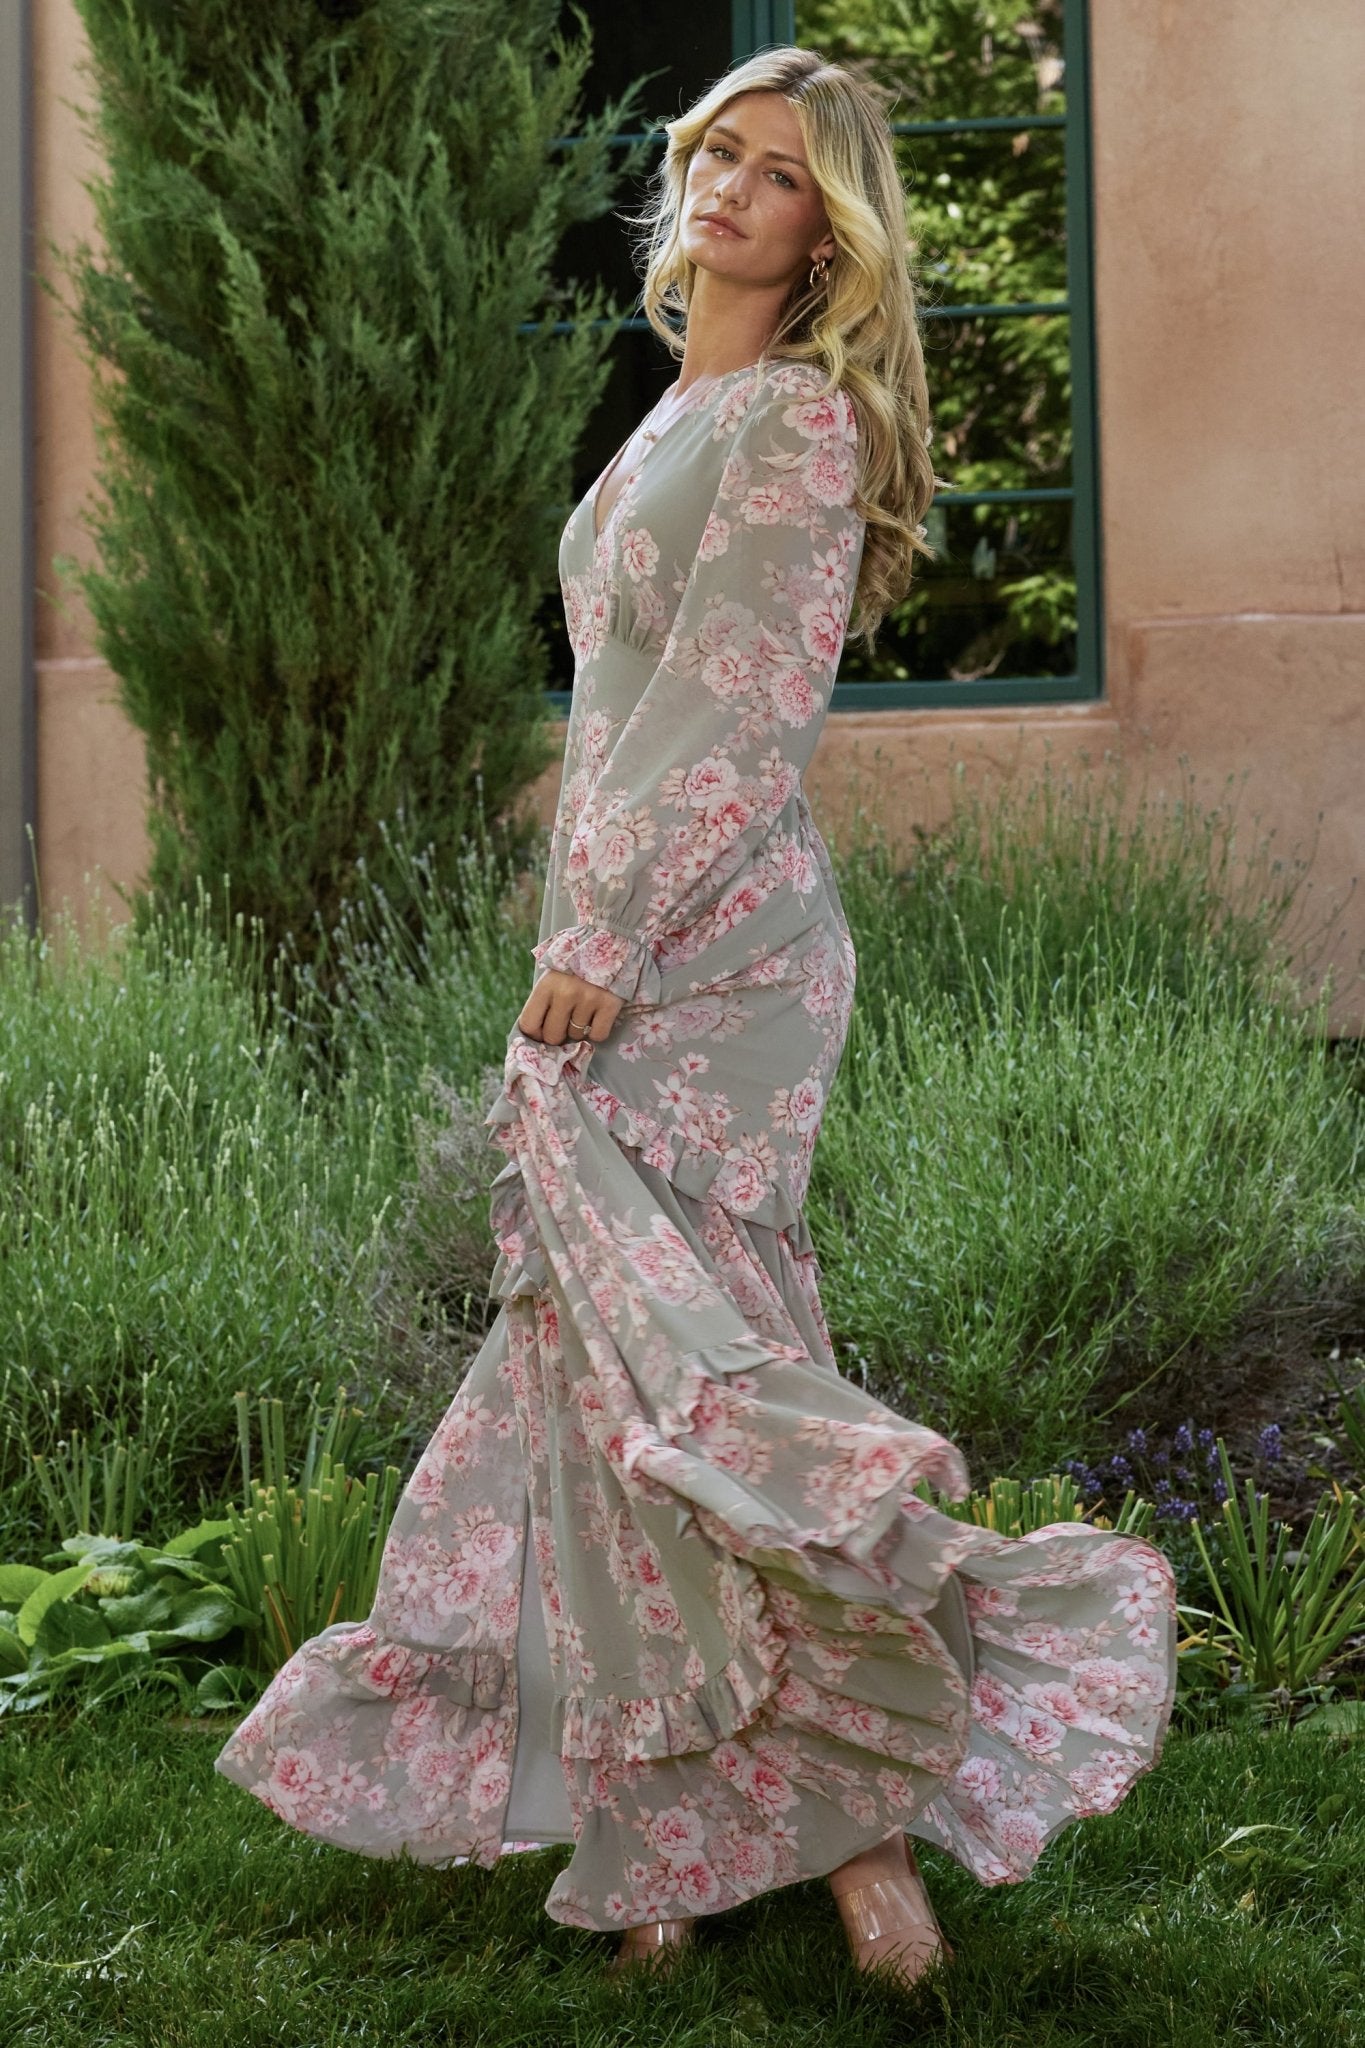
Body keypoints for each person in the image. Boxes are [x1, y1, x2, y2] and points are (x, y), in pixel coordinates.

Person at [213, 44, 1179, 1994]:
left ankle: (860, 1841)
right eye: (716, 153)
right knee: (609, 1392)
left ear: (833, 230)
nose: (730, 187)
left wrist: (605, 928)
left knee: (713, 1373)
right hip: (613, 921)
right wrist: (578, 912)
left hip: (704, 948)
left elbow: (736, 711)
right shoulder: (679, 407)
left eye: (780, 171)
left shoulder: (798, 425)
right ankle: (667, 1818)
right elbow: (621, 710)